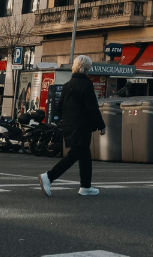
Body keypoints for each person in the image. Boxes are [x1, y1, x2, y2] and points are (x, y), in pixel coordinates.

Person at [39, 56, 103, 198]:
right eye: (89, 68)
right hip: (81, 125)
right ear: (85, 69)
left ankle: (86, 186)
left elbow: (60, 106)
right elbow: (92, 107)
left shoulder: (67, 84)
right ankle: (49, 176)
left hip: (70, 124)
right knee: (75, 154)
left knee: (84, 155)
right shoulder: (86, 84)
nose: (89, 71)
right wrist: (101, 125)